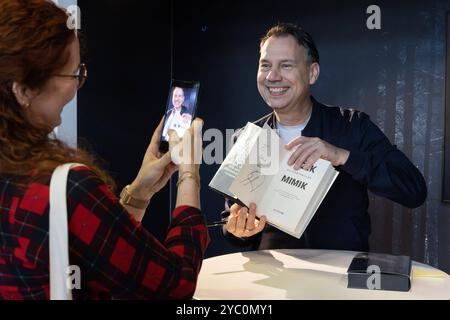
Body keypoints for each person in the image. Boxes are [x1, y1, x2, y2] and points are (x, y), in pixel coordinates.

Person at [0, 0, 207, 300]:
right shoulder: (69, 187)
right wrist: (190, 174)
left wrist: (137, 193)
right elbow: (177, 286)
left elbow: (95, 248)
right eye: (73, 74)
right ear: (24, 90)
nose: (77, 85)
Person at [222, 23, 427, 251]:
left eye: (286, 65)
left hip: (340, 277)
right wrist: (238, 229)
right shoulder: (246, 138)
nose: (272, 76)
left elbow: (413, 190)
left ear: (312, 73)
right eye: (265, 65)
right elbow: (233, 223)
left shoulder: (353, 126)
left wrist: (342, 156)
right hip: (276, 276)